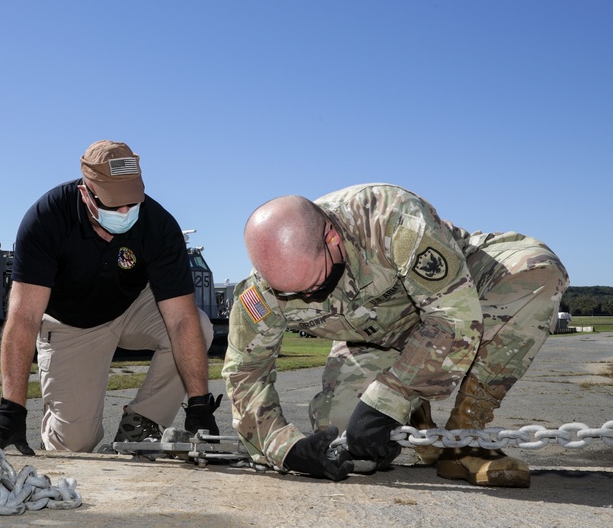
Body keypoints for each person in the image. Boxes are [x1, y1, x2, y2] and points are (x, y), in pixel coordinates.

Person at [225, 183, 568, 487]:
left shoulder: (390, 218)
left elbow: (453, 317)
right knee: (351, 443)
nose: (310, 297)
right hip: (374, 340)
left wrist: (389, 400)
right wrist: (284, 449)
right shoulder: (262, 293)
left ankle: (466, 438)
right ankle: (416, 414)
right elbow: (245, 374)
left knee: (536, 271)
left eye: (316, 284)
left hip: (455, 296)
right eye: (291, 292)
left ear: (331, 237)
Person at [0, 140, 220, 456]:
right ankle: (59, 425)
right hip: (71, 324)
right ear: (86, 193)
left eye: (132, 203)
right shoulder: (47, 219)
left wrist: (199, 405)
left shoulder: (158, 225)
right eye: (114, 205)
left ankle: (141, 425)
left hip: (130, 308)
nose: (125, 213)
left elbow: (181, 320)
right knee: (75, 446)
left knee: (200, 324)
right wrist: (10, 409)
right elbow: (24, 317)